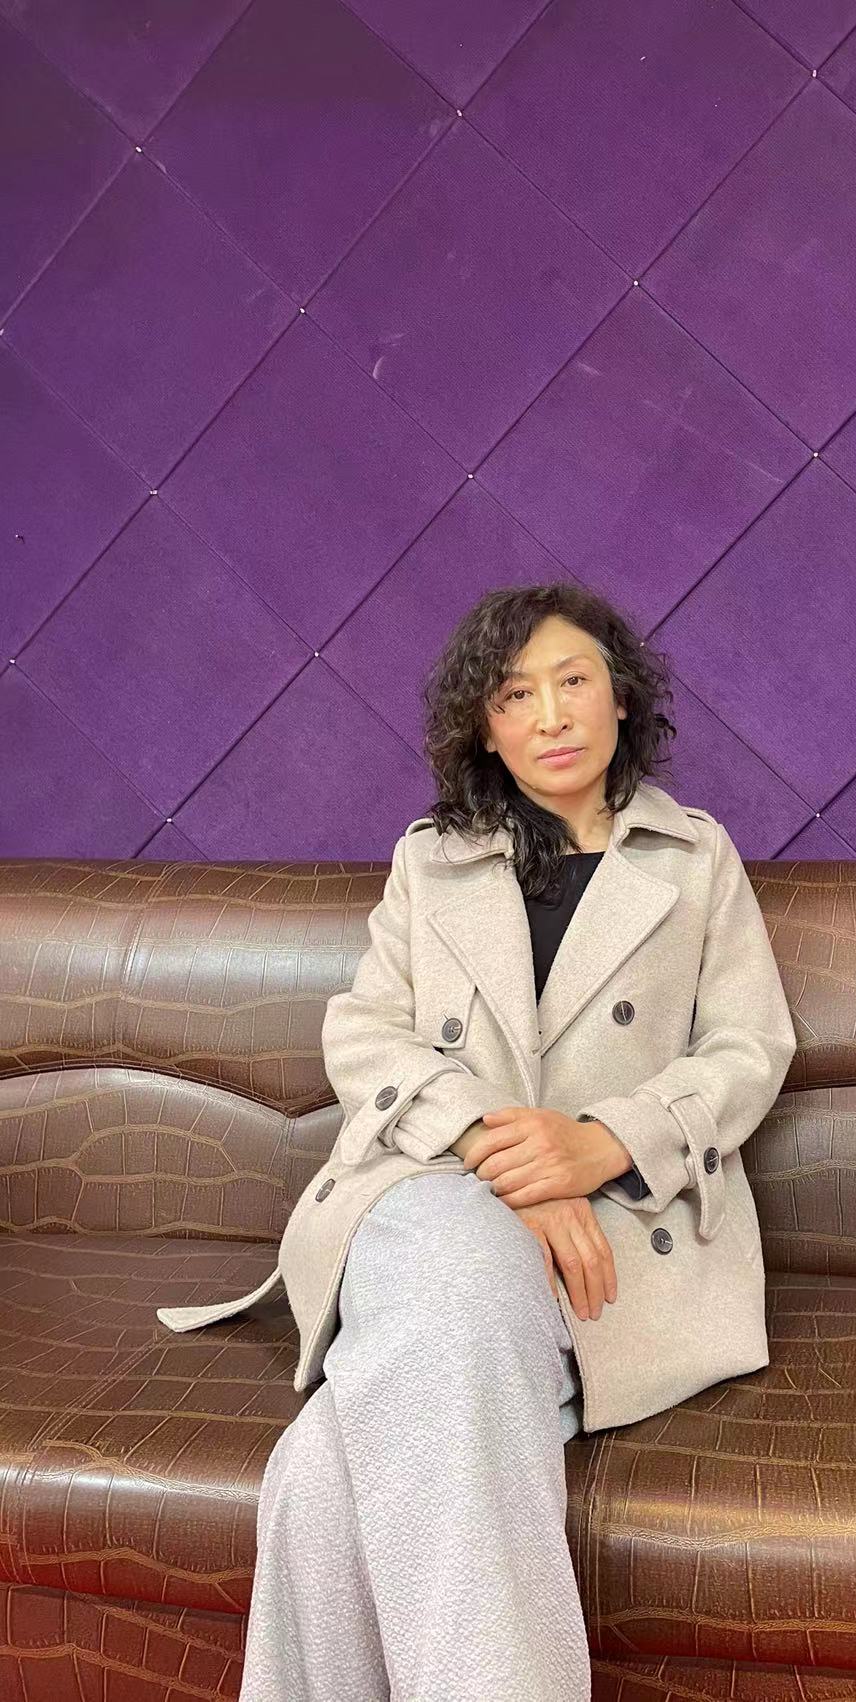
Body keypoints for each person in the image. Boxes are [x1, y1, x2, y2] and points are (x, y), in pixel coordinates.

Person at [238, 580, 792, 1700]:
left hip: (616, 1228)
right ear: (485, 729)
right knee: (449, 1255)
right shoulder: (429, 861)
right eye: (515, 695)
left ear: (621, 698)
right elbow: (365, 1034)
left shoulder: (695, 859)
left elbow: (749, 1049)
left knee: (323, 1481)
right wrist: (513, 1157)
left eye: (573, 681)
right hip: (429, 1192)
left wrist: (600, 1142)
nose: (551, 714)